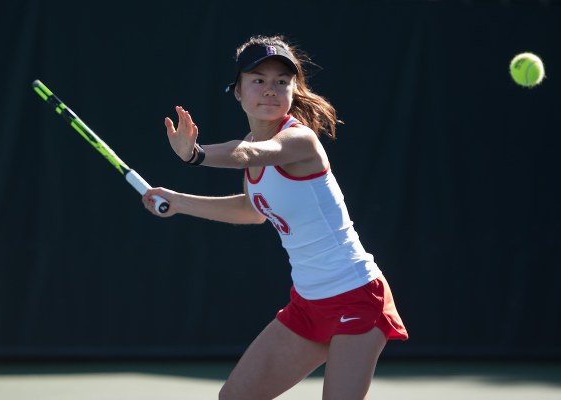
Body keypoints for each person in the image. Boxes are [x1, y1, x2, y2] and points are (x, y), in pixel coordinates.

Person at [142, 35, 408, 400]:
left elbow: (246, 153)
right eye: (258, 80)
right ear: (237, 91)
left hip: (357, 295)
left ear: (293, 90)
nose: (271, 90)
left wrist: (195, 155)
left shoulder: (298, 142)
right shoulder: (256, 150)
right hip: (308, 303)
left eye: (281, 82)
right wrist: (178, 201)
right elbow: (254, 210)